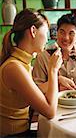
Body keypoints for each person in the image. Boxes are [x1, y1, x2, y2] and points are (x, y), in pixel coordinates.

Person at [0, 9, 62, 137]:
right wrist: (53, 70)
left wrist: (58, 80)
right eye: (46, 33)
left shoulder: (22, 62)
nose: (48, 40)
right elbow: (50, 112)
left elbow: (30, 90)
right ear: (33, 31)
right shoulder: (14, 67)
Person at [32, 13, 76, 93]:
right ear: (56, 32)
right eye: (62, 32)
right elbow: (36, 89)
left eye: (71, 33)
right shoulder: (43, 56)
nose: (66, 38)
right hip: (54, 103)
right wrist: (57, 82)